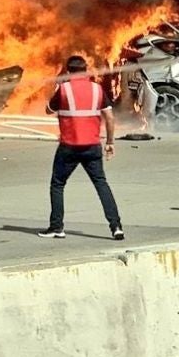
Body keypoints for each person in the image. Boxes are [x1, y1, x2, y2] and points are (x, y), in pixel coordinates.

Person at [39, 55, 124, 240]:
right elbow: (110, 118)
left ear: (68, 72)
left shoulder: (64, 89)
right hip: (92, 146)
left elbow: (48, 110)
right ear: (86, 70)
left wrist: (55, 89)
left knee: (58, 184)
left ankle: (57, 227)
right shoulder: (97, 89)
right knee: (101, 183)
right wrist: (110, 142)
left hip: (69, 147)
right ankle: (116, 226)